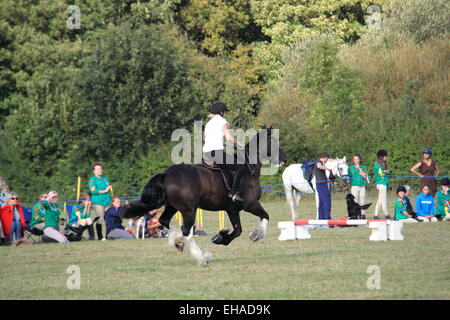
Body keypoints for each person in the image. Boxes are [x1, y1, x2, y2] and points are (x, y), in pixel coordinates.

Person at [202, 101, 245, 203]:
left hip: (206, 154)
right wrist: (240, 144)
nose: (225, 114)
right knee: (241, 166)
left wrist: (231, 146)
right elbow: (229, 138)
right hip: (217, 153)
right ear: (221, 112)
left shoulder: (208, 124)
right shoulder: (223, 121)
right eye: (224, 112)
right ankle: (234, 193)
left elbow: (218, 140)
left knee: (226, 167)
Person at [88, 163, 112, 240]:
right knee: (100, 219)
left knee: (108, 218)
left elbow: (108, 186)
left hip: (107, 201)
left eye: (101, 169)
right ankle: (100, 237)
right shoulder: (92, 180)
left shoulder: (105, 178)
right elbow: (93, 191)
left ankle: (108, 235)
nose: (100, 170)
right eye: (98, 169)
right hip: (98, 202)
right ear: (94, 171)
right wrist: (105, 190)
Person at [314, 152, 335, 220]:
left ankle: (321, 219)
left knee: (321, 203)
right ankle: (327, 219)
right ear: (325, 157)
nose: (327, 160)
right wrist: (328, 168)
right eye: (327, 159)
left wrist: (333, 182)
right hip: (321, 185)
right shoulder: (318, 162)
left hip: (321, 184)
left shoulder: (321, 163)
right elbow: (319, 166)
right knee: (327, 201)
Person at [348, 154, 369, 218]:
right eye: (354, 159)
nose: (355, 160)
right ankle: (355, 215)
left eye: (357, 159)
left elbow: (364, 176)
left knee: (362, 201)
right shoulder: (350, 168)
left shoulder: (363, 167)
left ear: (360, 160)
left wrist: (359, 168)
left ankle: (363, 215)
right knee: (355, 201)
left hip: (362, 186)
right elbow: (348, 177)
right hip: (354, 186)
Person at [373, 149, 391, 219]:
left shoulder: (380, 164)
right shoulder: (377, 164)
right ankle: (386, 214)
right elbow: (382, 173)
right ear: (381, 157)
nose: (386, 158)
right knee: (383, 199)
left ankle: (376, 214)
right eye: (385, 156)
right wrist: (387, 172)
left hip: (383, 182)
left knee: (380, 199)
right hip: (381, 183)